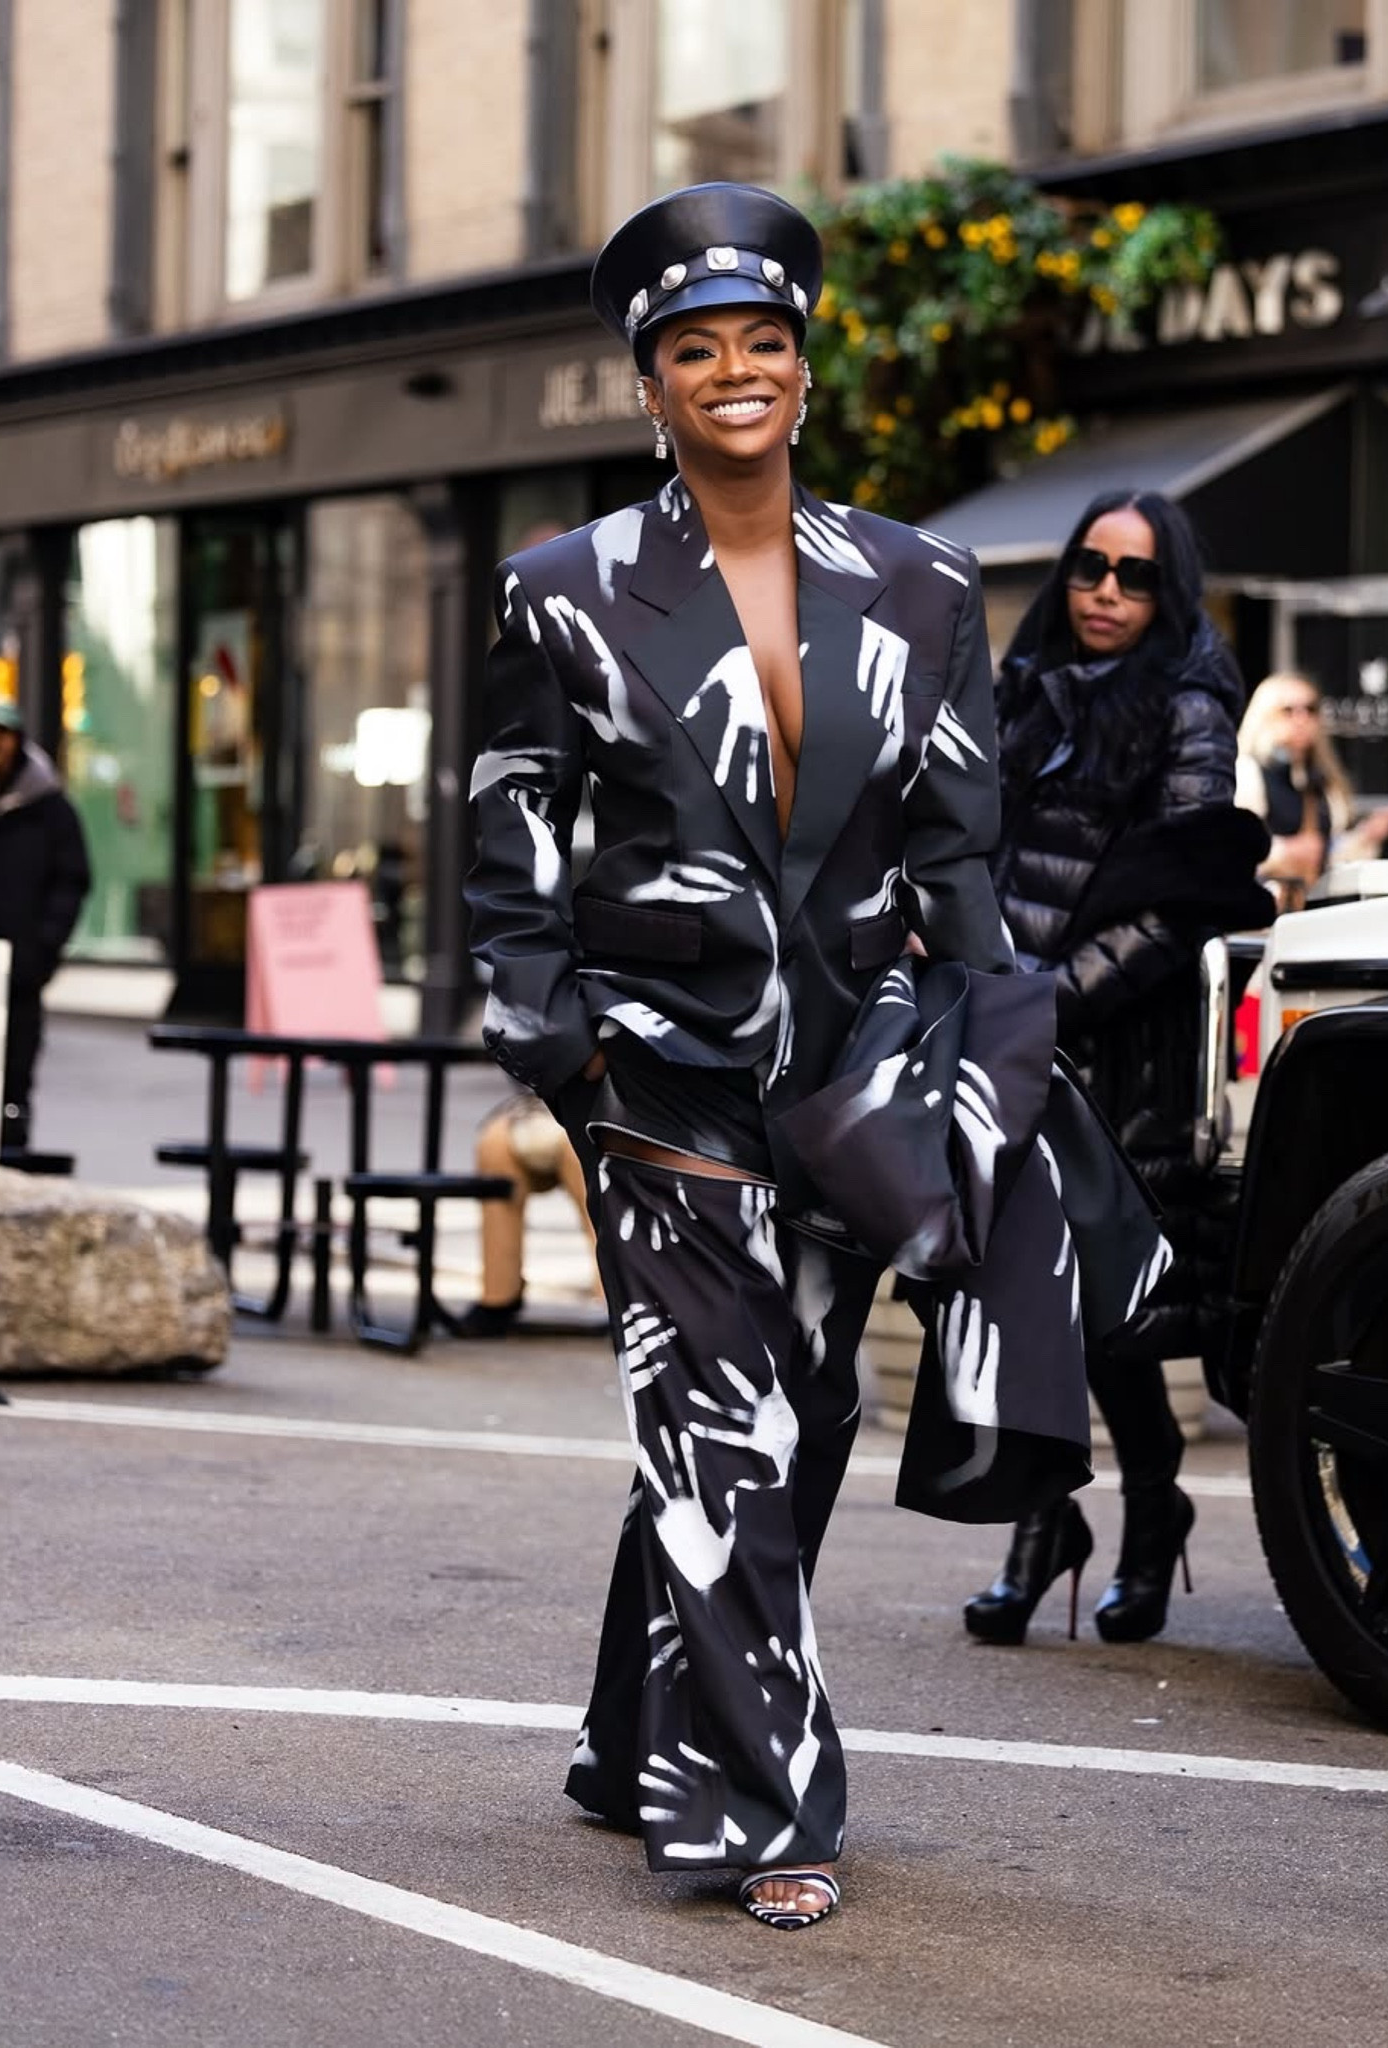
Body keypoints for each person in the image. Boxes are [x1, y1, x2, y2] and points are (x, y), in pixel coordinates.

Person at [465, 183, 1029, 1930]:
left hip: (852, 1072)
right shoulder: (563, 592)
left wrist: (988, 1044)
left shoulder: (920, 583)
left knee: (794, 1418)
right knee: (711, 1416)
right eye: (693, 348)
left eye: (759, 343)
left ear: (801, 365)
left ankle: (623, 1729)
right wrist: (560, 1052)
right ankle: (751, 1800)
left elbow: (955, 847)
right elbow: (509, 835)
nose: (732, 372)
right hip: (662, 1073)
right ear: (650, 383)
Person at [963, 490, 1272, 1650]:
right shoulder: (1026, 680)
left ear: (1166, 589)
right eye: (1090, 566)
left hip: (1114, 1040)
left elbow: (1186, 897)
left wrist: (1056, 993)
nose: (1104, 590)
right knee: (1011, 1290)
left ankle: (1148, 1512)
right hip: (999, 1019)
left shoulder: (1190, 701)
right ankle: (1044, 1523)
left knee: (1108, 1311)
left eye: (1133, 576)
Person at [0, 701, 91, 1151]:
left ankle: (13, 1143)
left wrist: (44, 947)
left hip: (22, 960)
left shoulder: (50, 809)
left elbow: (72, 880)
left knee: (16, 1067)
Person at [1235, 671, 1388, 910]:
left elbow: (1332, 854)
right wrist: (1283, 852)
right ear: (1265, 715)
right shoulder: (1249, 772)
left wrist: (1367, 836)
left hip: (1311, 910)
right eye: (1288, 710)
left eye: (1310, 709)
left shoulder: (1321, 779)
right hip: (1259, 912)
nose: (1301, 719)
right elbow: (1232, 849)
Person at [464, 1091, 602, 1335]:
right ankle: (499, 1296)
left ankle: (619, 1299)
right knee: (495, 1148)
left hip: (603, 1110)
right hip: (534, 1110)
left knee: (586, 1165)